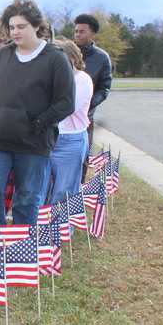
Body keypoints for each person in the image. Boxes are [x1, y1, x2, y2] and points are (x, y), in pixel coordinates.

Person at [0, 0, 75, 248]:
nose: (15, 32)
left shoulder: (55, 58)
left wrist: (37, 124)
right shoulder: (2, 56)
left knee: (26, 199)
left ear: (36, 26)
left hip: (34, 145)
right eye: (12, 27)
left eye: (21, 26)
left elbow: (65, 103)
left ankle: (21, 248)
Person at [46, 38, 92, 204]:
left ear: (72, 59)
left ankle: (61, 228)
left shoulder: (83, 79)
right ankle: (40, 227)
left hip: (70, 140)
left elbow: (67, 107)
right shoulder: (51, 78)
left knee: (63, 190)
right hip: (48, 138)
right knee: (42, 187)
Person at [73, 14, 113, 166]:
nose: (77, 34)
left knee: (82, 158)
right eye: (76, 31)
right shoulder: (65, 53)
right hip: (62, 116)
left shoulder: (102, 58)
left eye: (82, 31)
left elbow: (104, 89)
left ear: (92, 33)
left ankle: (79, 188)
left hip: (85, 117)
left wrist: (87, 105)